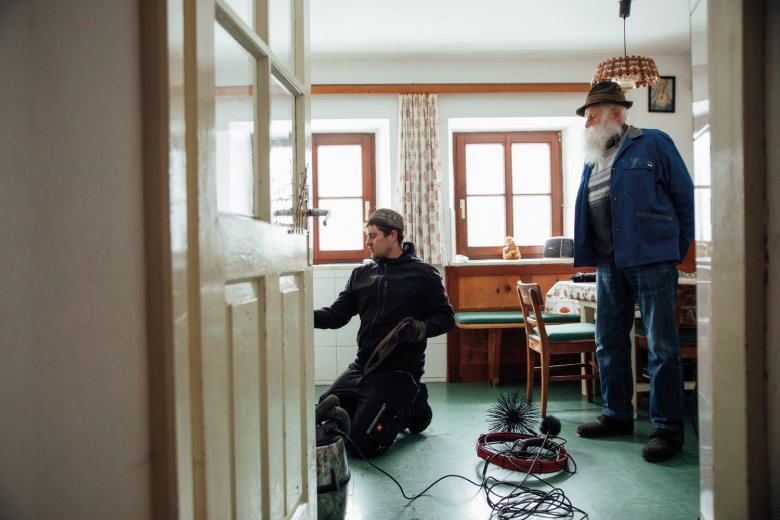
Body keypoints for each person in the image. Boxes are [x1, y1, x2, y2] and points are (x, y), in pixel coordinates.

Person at [572, 81, 694, 462]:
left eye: (593, 113)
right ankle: (617, 414)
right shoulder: (592, 158)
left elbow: (684, 198)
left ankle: (668, 429)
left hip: (652, 259)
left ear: (616, 113)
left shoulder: (654, 142)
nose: (587, 120)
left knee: (661, 345)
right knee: (608, 340)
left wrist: (676, 251)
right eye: (586, 115)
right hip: (609, 263)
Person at [314, 208, 454, 458]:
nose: (367, 242)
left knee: (361, 444)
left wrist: (420, 329)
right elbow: (336, 316)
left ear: (393, 236)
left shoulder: (423, 275)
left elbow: (446, 318)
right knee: (326, 415)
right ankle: (375, 406)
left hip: (399, 371)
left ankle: (414, 404)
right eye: (367, 236)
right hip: (362, 367)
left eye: (372, 235)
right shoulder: (361, 274)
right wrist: (299, 316)